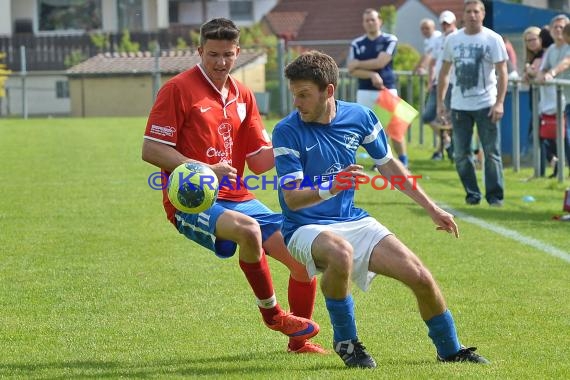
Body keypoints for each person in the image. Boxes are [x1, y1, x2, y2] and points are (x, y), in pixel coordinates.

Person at [272, 50, 490, 368]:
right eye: (295, 94)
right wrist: (333, 185)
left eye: (304, 95)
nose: (297, 103)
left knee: (420, 276)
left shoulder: (360, 117)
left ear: (328, 91)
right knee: (340, 252)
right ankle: (346, 341)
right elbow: (292, 197)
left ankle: (450, 350)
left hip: (351, 220)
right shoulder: (286, 130)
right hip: (303, 227)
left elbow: (388, 166)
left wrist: (432, 208)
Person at [141, 18, 324, 354]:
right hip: (192, 201)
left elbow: (259, 161)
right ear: (199, 51)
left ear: (237, 52)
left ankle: (298, 344)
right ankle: (272, 315)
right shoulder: (177, 89)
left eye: (227, 54)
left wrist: (299, 138)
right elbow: (151, 149)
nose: (220, 62)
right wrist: (206, 169)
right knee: (249, 231)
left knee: (302, 254)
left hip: (238, 197)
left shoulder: (243, 95)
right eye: (212, 54)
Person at [437, 0, 508, 207]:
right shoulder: (453, 39)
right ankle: (472, 194)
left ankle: (495, 196)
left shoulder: (492, 39)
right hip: (459, 105)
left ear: (483, 14)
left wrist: (500, 102)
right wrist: (441, 103)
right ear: (463, 14)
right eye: (468, 11)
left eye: (476, 11)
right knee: (461, 154)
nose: (472, 15)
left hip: (487, 104)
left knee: (491, 152)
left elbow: (502, 73)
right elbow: (444, 73)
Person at [347, 8, 409, 168]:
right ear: (363, 23)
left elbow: (381, 62)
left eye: (372, 19)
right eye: (366, 20)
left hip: (386, 89)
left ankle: (403, 161)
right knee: (367, 130)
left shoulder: (390, 39)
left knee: (393, 128)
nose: (370, 23)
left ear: (380, 21)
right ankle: (380, 162)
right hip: (364, 91)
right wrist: (371, 75)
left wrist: (359, 64)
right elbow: (351, 70)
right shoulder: (357, 43)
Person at [536, 15, 570, 178]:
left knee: (566, 136)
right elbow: (543, 69)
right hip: (557, 102)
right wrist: (541, 75)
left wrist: (552, 73)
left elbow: (566, 62)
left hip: (566, 100)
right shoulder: (550, 50)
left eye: (562, 27)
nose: (558, 30)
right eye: (555, 27)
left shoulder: (569, 46)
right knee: (551, 137)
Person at [421, 11, 458, 161]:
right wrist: (430, 81)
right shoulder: (438, 39)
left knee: (450, 119)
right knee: (428, 116)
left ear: (454, 22)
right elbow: (432, 61)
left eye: (448, 23)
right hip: (438, 83)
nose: (445, 26)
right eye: (443, 23)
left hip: (453, 83)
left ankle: (450, 148)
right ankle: (447, 142)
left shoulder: (458, 38)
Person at [522, 26, 558, 177]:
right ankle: (547, 167)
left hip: (546, 101)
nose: (531, 43)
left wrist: (530, 71)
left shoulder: (545, 54)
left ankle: (552, 163)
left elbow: (538, 74)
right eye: (527, 40)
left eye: (534, 39)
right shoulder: (533, 57)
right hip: (536, 100)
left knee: (538, 134)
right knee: (538, 135)